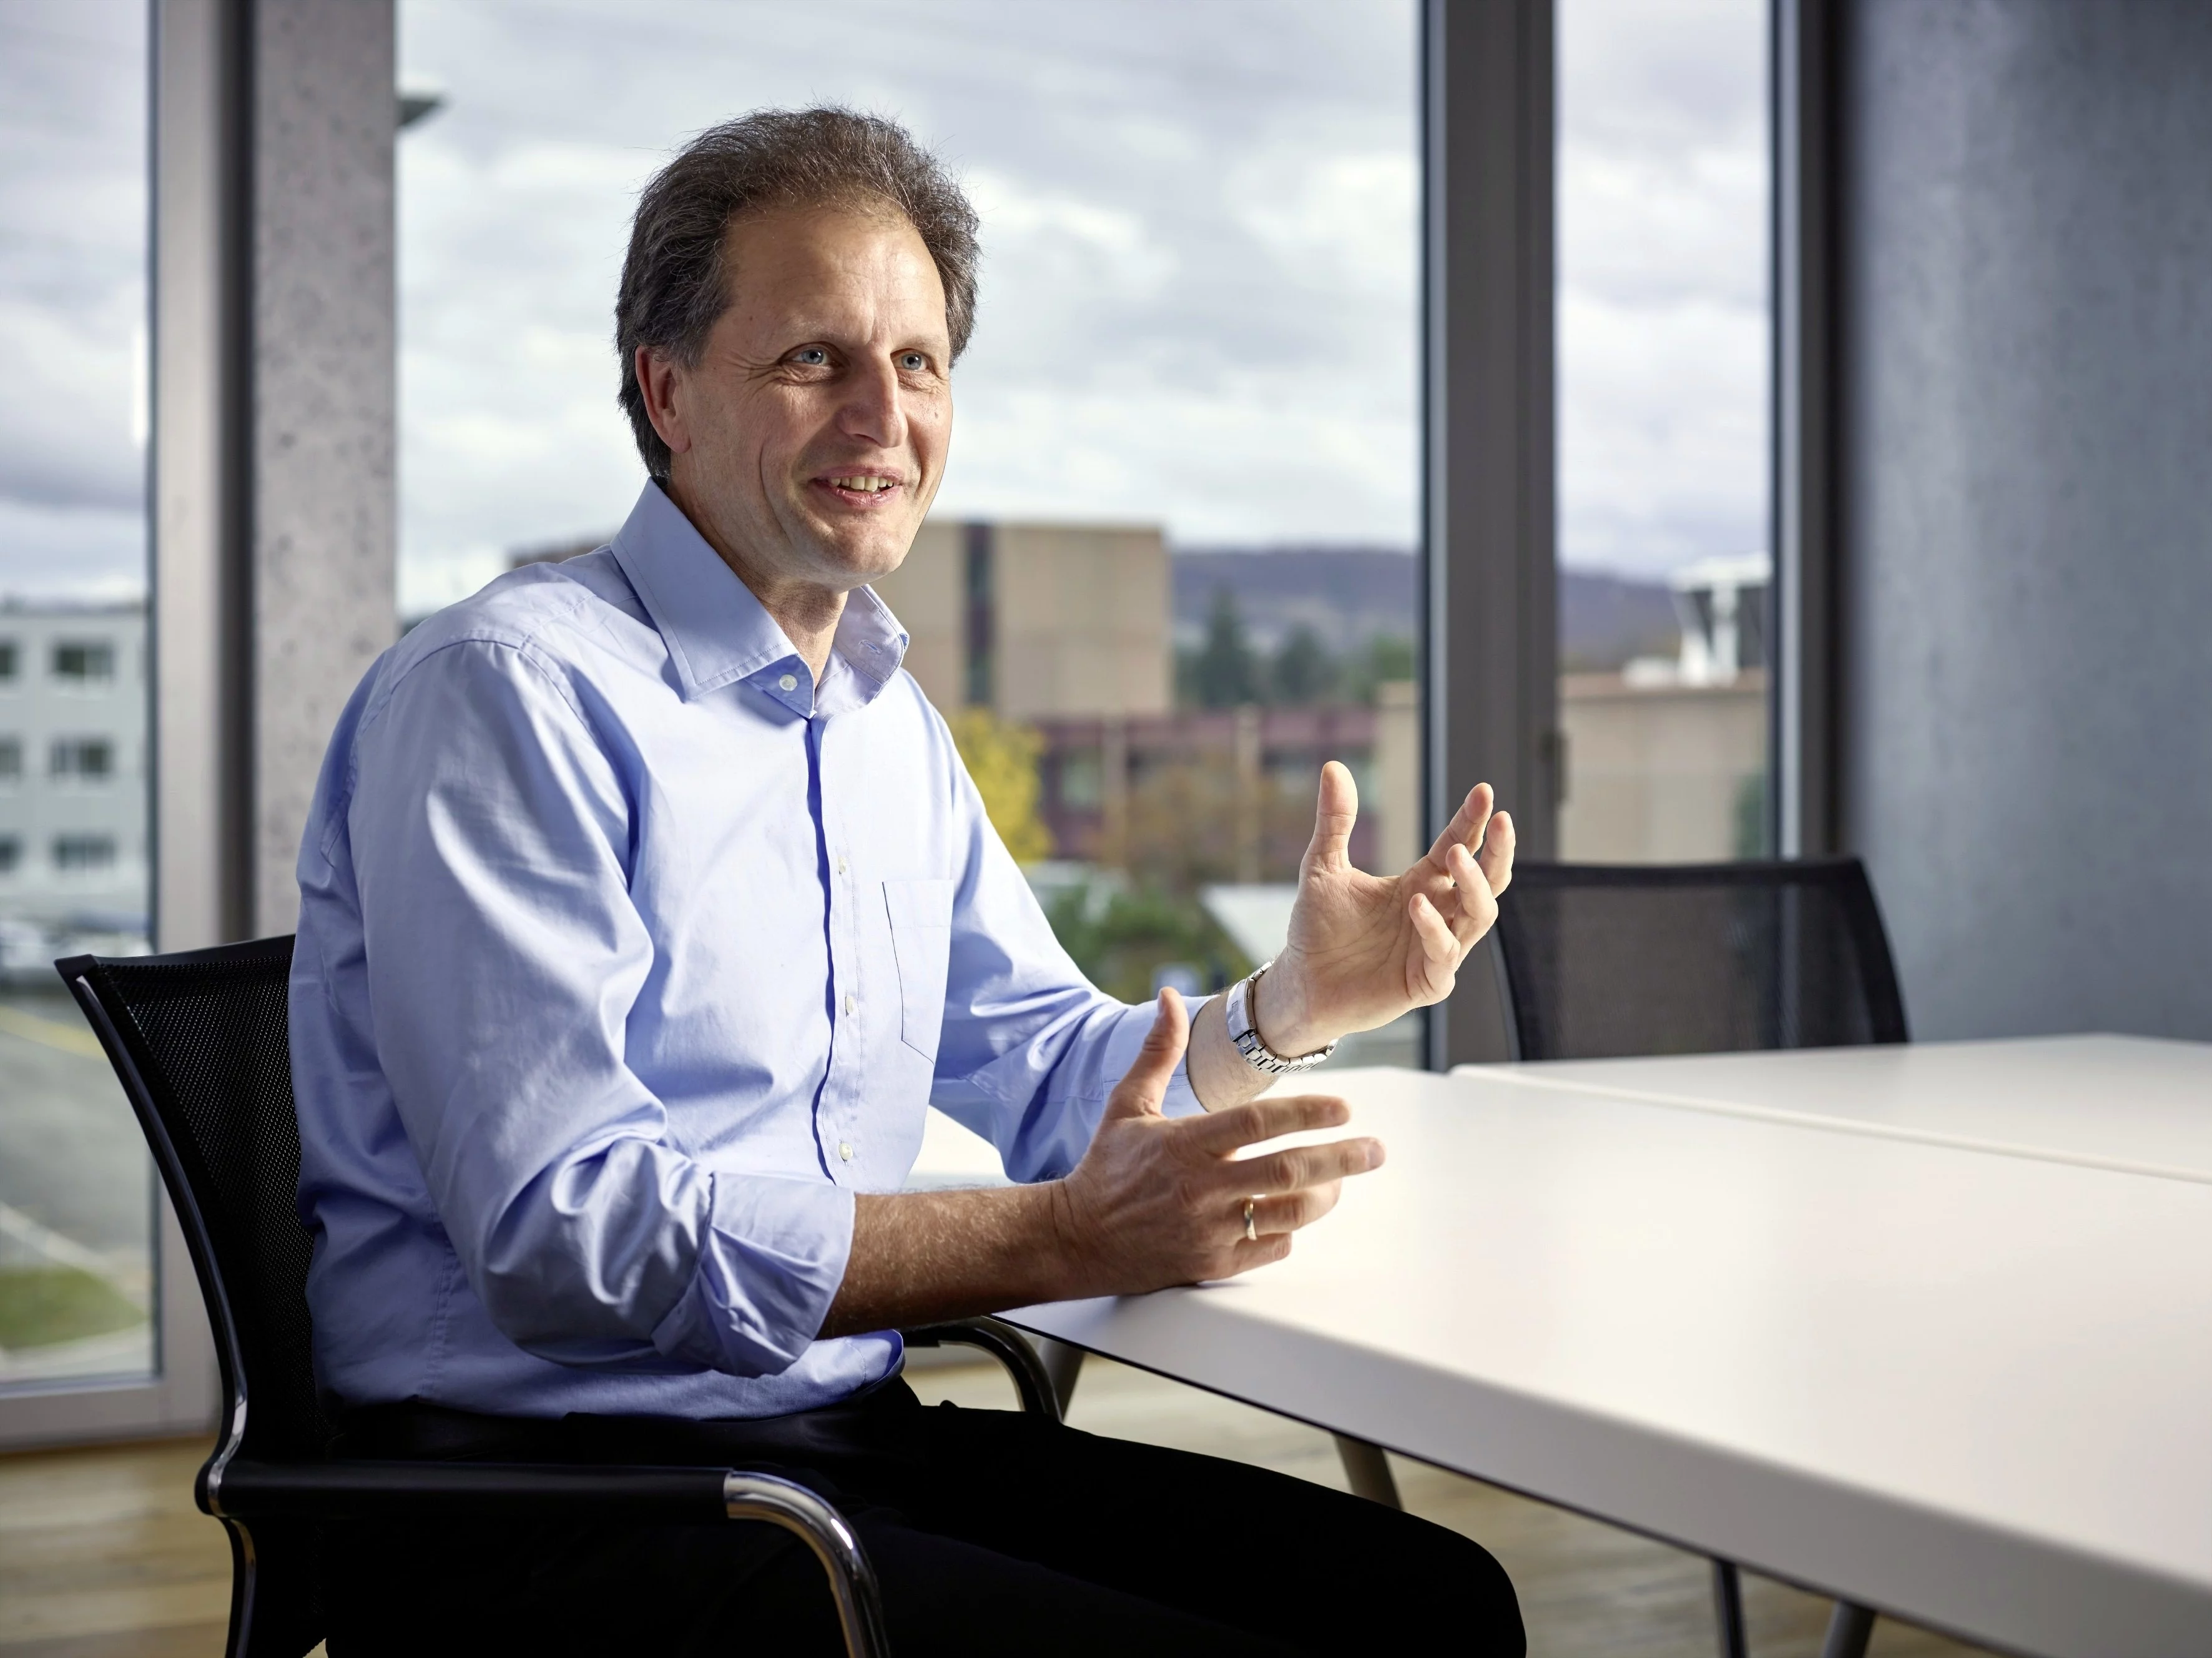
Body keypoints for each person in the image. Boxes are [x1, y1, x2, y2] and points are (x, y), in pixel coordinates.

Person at [293, 107, 1521, 1656]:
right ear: (667, 392)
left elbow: (1057, 1077)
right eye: (814, 358)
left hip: (826, 1439)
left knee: (1434, 1606)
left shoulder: (881, 722)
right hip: (541, 1503)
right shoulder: (505, 694)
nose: (883, 416)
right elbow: (572, 1234)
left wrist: (1288, 1005)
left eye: (920, 361)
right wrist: (1064, 1238)